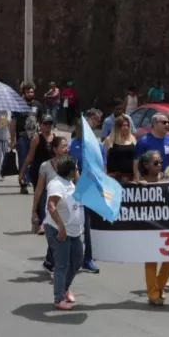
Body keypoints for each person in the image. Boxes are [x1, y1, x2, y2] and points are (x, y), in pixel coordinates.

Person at [136, 150, 169, 306]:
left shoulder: (166, 178)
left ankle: (159, 287)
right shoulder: (140, 182)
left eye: (160, 162)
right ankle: (153, 294)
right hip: (149, 228)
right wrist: (139, 187)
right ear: (146, 165)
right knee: (151, 260)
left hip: (167, 225)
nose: (159, 165)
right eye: (156, 163)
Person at [45, 156, 84, 310]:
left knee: (77, 260)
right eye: (76, 168)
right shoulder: (56, 184)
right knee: (62, 264)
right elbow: (51, 206)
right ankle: (58, 298)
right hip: (59, 230)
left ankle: (65, 288)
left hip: (74, 230)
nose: (77, 171)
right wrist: (60, 227)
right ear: (70, 171)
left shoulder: (69, 183)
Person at [68, 108, 104, 274]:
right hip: (73, 190)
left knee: (88, 226)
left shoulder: (97, 146)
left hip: (91, 190)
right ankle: (59, 257)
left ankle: (87, 258)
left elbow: (102, 168)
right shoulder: (71, 145)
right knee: (71, 223)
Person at [32, 135, 70, 272]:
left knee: (62, 235)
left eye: (67, 146)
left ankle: (50, 262)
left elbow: (77, 185)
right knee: (55, 235)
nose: (66, 149)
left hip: (66, 206)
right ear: (54, 149)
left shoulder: (71, 163)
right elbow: (39, 189)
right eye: (63, 146)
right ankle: (56, 267)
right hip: (50, 206)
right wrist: (34, 210)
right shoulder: (45, 166)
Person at [21, 114, 56, 233]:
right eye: (45, 123)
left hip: (51, 172)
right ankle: (39, 223)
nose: (47, 126)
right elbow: (30, 157)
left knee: (49, 197)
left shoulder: (54, 138)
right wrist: (22, 172)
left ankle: (40, 222)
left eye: (50, 123)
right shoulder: (36, 138)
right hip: (37, 171)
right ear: (40, 125)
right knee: (40, 196)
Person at [10, 82, 45, 194]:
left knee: (35, 160)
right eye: (28, 92)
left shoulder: (38, 105)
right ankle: (23, 183)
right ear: (23, 93)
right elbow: (13, 123)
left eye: (32, 92)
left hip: (35, 137)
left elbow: (43, 121)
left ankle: (33, 180)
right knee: (23, 160)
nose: (31, 93)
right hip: (22, 137)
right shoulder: (18, 105)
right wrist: (13, 139)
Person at [134, 113, 169, 178]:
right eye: (164, 122)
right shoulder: (144, 141)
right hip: (151, 182)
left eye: (168, 122)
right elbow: (137, 162)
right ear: (154, 123)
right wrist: (137, 178)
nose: (167, 124)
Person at [104, 114, 137, 181]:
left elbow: (136, 158)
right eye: (123, 125)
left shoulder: (133, 138)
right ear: (117, 127)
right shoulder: (109, 140)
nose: (126, 127)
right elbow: (104, 159)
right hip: (113, 177)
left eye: (127, 125)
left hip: (130, 177)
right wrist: (105, 174)